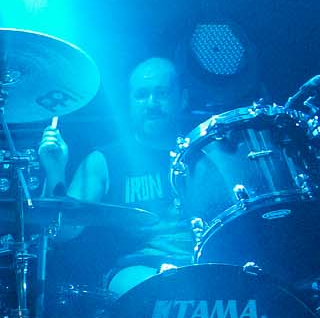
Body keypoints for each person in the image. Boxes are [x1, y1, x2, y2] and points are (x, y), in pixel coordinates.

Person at [39, 54, 200, 295]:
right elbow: (62, 232)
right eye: (141, 95)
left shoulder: (206, 156)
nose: (152, 103)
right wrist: (55, 170)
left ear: (182, 99)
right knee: (161, 293)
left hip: (205, 265)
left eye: (162, 93)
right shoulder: (103, 160)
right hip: (137, 272)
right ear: (129, 103)